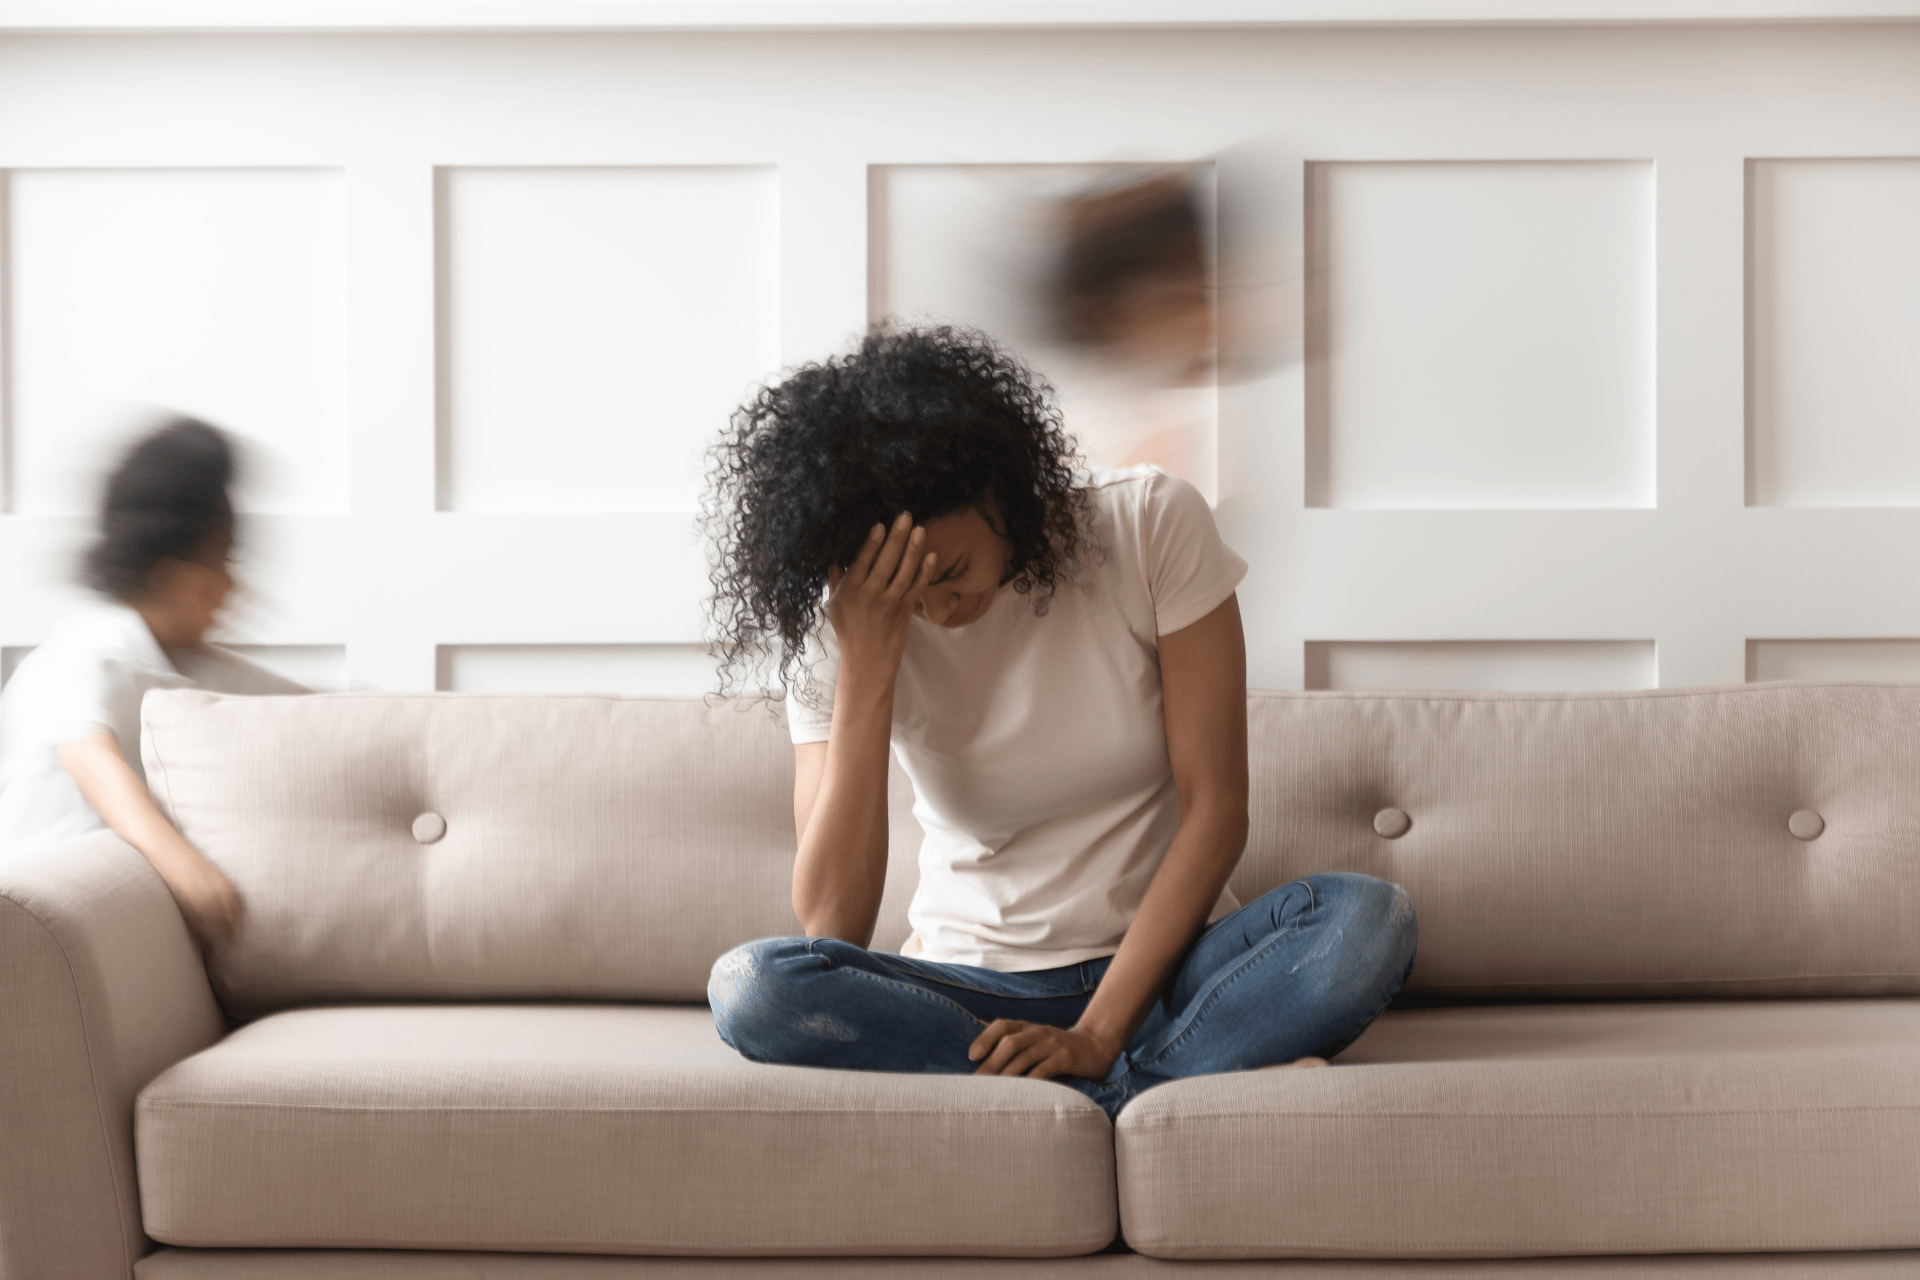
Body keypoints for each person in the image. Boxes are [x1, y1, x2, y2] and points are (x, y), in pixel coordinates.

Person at [702, 326, 1416, 1119]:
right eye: (913, 593)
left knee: (1367, 920)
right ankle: (1161, 1083)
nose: (940, 608)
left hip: (1172, 971)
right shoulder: (849, 628)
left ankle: (1092, 1082)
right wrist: (869, 663)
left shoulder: (1149, 524)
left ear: (997, 492)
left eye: (955, 572)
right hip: (971, 996)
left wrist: (1098, 1032)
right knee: (750, 987)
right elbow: (832, 923)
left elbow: (1218, 813)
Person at [0, 418, 305, 939]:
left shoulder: (177, 661)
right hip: (50, 920)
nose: (236, 588)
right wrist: (189, 871)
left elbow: (303, 706)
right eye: (227, 562)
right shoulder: (91, 649)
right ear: (174, 577)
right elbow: (87, 754)